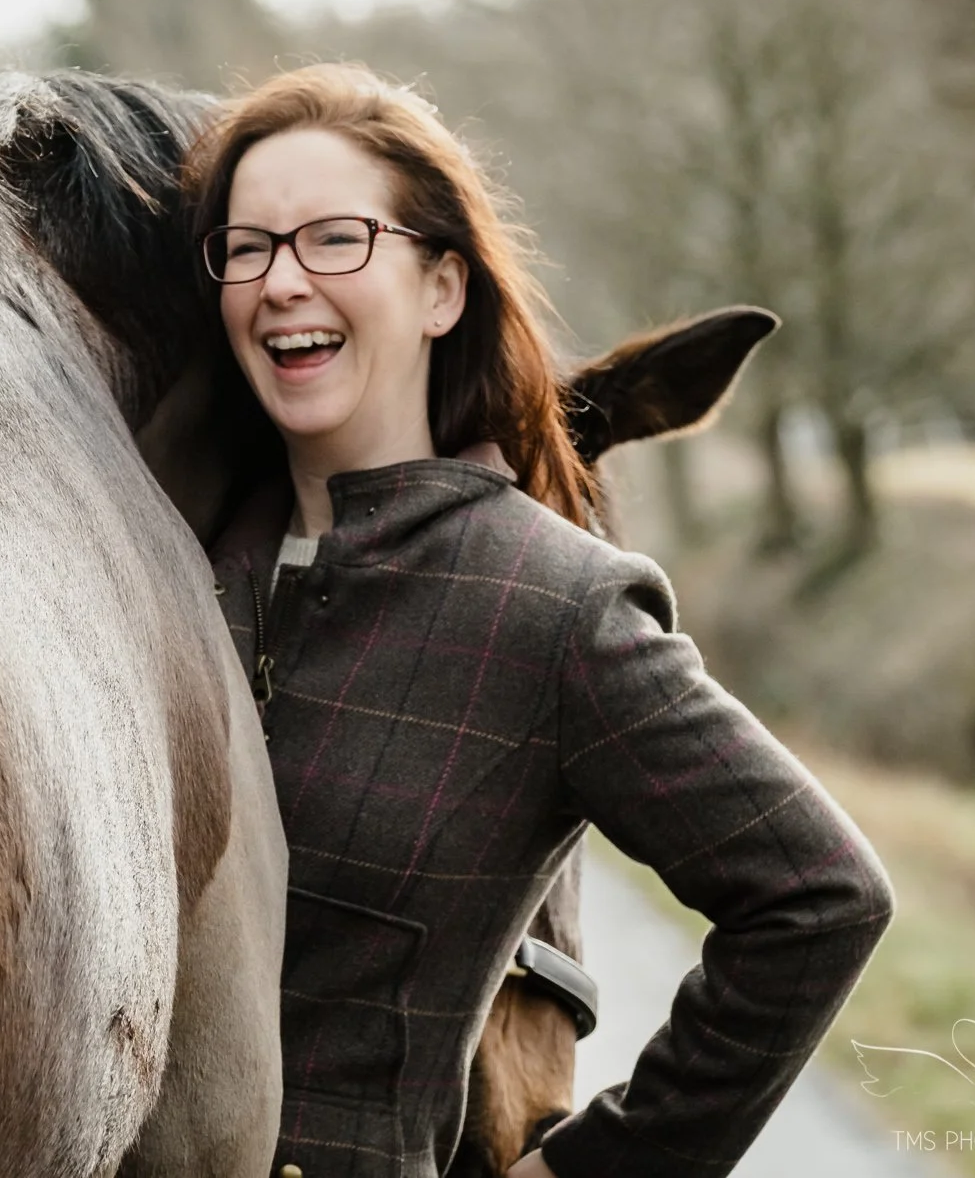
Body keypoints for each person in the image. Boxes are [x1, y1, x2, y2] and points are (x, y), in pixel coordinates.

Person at [182, 63, 894, 1178]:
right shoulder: (166, 558)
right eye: (248, 246)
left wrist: (598, 1167)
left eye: (334, 239)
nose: (280, 280)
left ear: (441, 289)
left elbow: (818, 899)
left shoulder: (553, 602)